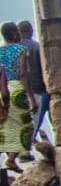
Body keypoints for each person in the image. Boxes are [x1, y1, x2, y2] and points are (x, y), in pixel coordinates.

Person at [0, 22, 34, 172]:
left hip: (1, 90)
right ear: (14, 34)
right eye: (18, 32)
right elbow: (23, 74)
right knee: (27, 126)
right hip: (15, 90)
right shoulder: (21, 50)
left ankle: (10, 159)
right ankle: (11, 158)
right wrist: (31, 97)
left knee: (4, 125)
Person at [17, 20, 48, 153]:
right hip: (35, 88)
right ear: (30, 31)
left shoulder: (11, 48)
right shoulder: (36, 47)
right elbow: (44, 69)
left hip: (16, 89)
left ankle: (17, 152)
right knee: (32, 122)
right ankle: (24, 152)